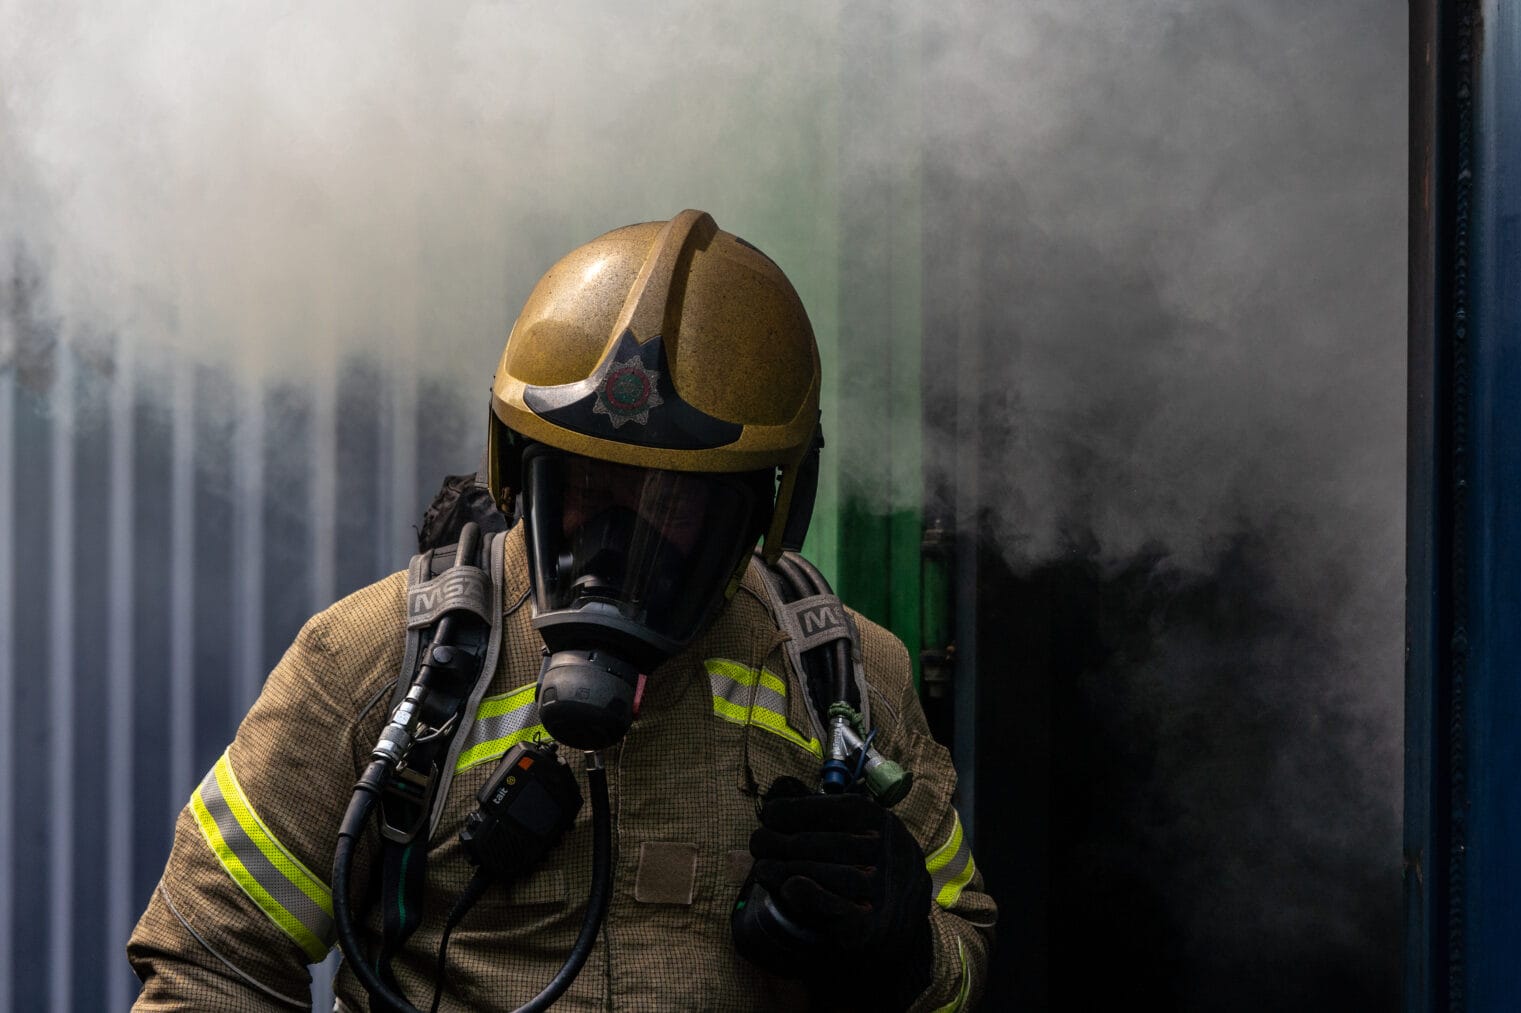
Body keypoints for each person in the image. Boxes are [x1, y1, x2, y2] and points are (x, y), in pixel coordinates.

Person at [126, 210, 995, 1011]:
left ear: (768, 510)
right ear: (517, 468)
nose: (618, 533)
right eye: (587, 479)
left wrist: (908, 953)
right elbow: (209, 956)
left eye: (671, 500)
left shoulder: (843, 677)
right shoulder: (375, 660)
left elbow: (968, 953)